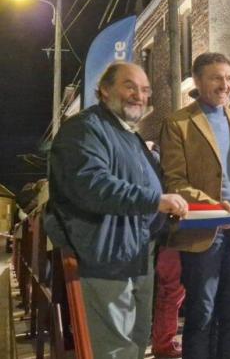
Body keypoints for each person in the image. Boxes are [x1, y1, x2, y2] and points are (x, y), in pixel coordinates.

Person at [46, 62, 188, 359]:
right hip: (105, 257)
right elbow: (91, 185)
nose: (139, 95)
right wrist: (156, 201)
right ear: (104, 89)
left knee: (135, 344)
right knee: (112, 348)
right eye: (130, 86)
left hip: (138, 255)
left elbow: (156, 184)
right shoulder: (84, 129)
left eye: (145, 90)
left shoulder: (130, 135)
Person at [160, 52, 230, 359]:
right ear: (198, 81)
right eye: (217, 78)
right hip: (203, 232)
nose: (225, 85)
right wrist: (216, 207)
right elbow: (175, 181)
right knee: (202, 314)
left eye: (229, 78)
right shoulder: (178, 122)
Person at [146, 141, 186, 359]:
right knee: (171, 290)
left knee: (169, 291)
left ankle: (162, 340)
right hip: (171, 234)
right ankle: (163, 342)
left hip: (165, 235)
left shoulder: (156, 160)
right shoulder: (162, 162)